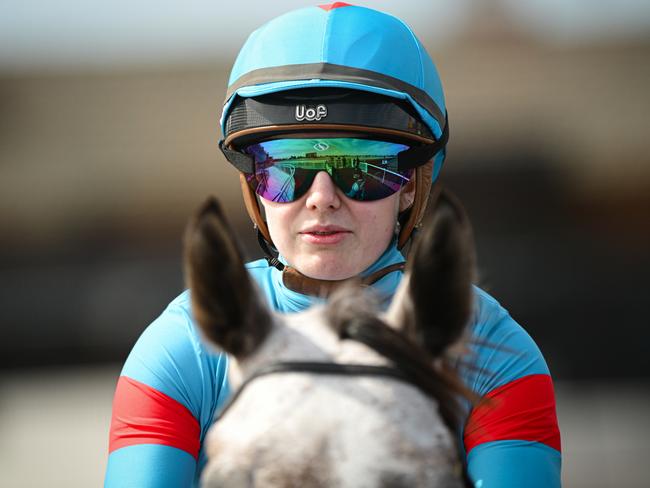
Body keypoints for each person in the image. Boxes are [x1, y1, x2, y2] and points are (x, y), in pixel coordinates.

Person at [105, 3, 561, 487]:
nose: (321, 199)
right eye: (287, 167)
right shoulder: (180, 346)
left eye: (360, 166)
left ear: (411, 184)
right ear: (253, 185)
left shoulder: (497, 354)